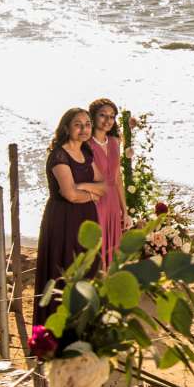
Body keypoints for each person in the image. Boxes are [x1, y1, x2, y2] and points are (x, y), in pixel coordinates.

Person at [36, 107, 107, 315]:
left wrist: (85, 189)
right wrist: (91, 193)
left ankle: (84, 323)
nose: (84, 129)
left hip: (86, 217)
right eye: (78, 124)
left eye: (87, 124)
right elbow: (70, 195)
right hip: (63, 220)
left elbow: (103, 185)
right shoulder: (59, 155)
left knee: (88, 268)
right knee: (65, 269)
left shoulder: (85, 151)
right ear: (66, 128)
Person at [86, 96, 126, 263]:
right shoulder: (85, 144)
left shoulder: (115, 142)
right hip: (94, 200)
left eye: (112, 116)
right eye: (103, 115)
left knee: (113, 247)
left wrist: (125, 208)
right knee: (95, 246)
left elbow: (117, 178)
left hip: (113, 203)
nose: (108, 120)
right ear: (93, 117)